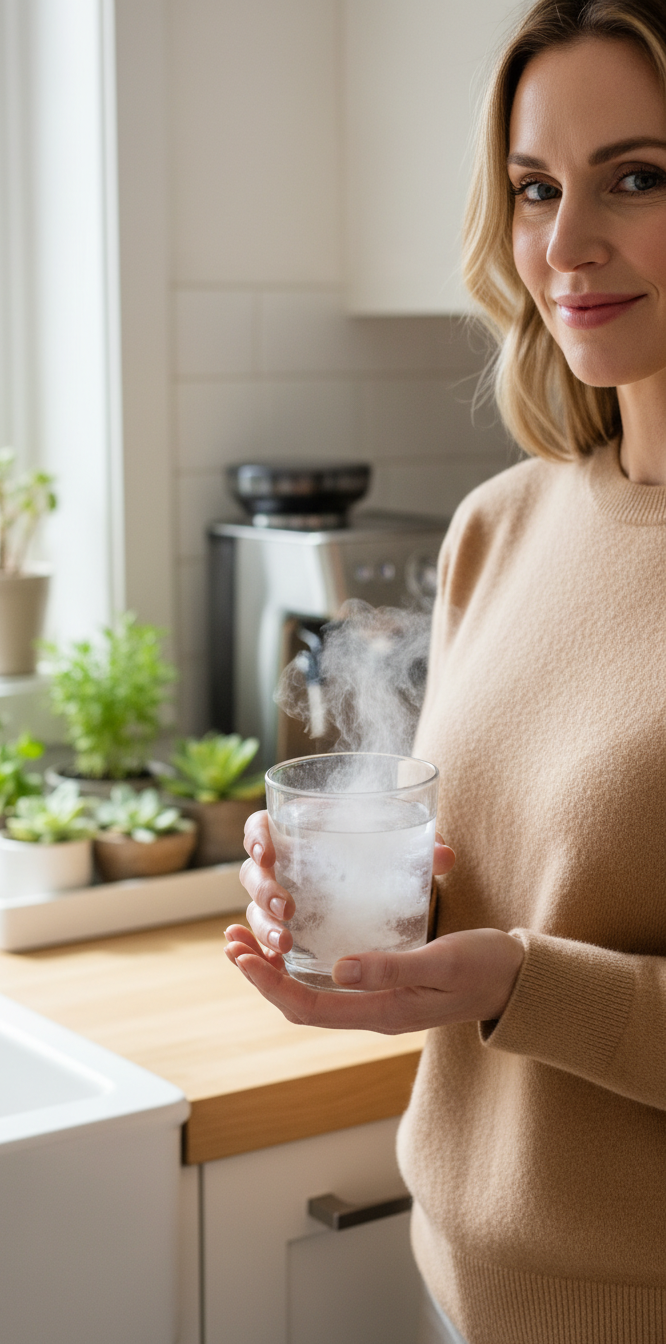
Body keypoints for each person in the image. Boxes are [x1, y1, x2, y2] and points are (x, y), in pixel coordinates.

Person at [224, 1, 666, 1341]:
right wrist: (378, 908)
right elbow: (513, 873)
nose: (566, 245)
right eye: (536, 187)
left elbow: (525, 961)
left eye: (637, 177)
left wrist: (511, 984)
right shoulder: (498, 527)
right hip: (459, 1282)